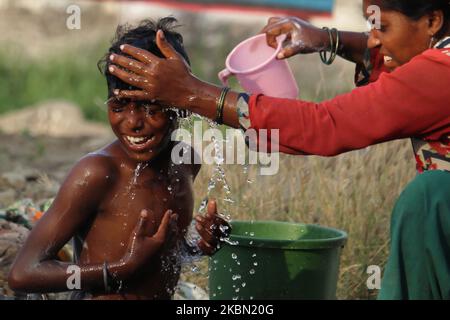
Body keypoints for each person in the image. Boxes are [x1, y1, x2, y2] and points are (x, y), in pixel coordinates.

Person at [105, 0, 450, 299]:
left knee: (427, 197)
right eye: (370, 26)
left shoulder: (441, 74)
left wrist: (192, 93)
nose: (373, 39)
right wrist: (326, 39)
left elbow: (325, 125)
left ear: (433, 21)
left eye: (382, 27)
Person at [8, 17, 230, 300]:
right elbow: (23, 273)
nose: (133, 123)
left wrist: (203, 245)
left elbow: (163, 257)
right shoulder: (98, 173)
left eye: (151, 109)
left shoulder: (185, 161)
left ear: (182, 107)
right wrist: (120, 269)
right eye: (120, 105)